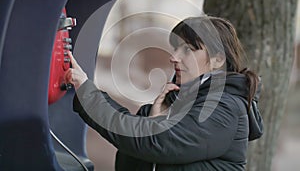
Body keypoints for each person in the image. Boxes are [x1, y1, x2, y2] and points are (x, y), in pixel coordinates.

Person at [64, 16, 263, 171]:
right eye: (176, 48)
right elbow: (132, 154)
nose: (173, 57)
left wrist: (86, 91)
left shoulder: (224, 109)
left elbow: (152, 142)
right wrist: (153, 121)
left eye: (188, 49)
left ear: (217, 60)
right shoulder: (174, 106)